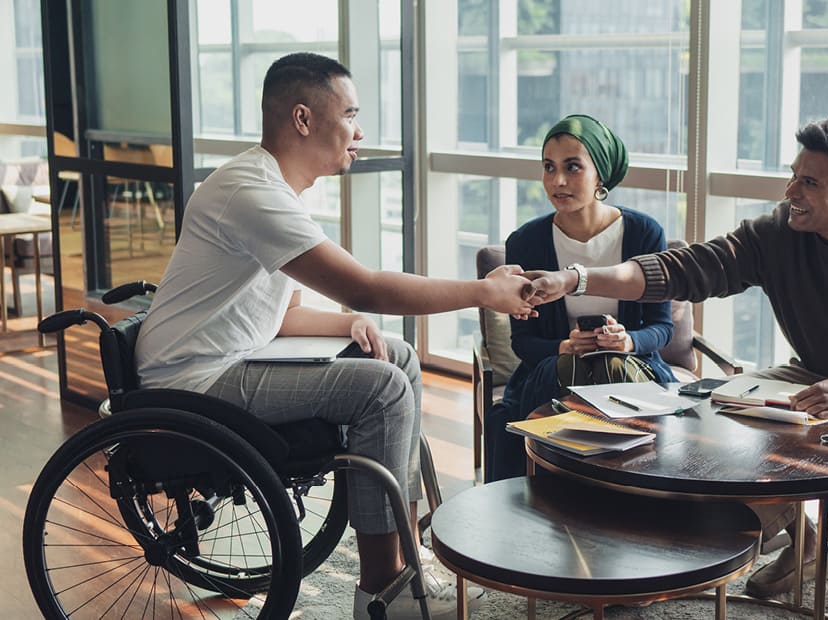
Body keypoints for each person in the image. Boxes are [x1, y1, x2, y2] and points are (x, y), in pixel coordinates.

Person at [135, 52, 534, 620]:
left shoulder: (274, 187)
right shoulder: (252, 193)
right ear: (303, 119)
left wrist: (347, 324)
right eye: (350, 113)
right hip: (192, 381)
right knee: (383, 391)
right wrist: (483, 293)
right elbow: (367, 287)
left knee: (395, 355)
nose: (360, 131)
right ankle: (382, 589)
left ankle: (405, 550)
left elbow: (280, 314)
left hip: (225, 358)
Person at [525, 110, 828, 598]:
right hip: (811, 373)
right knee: (716, 407)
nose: (790, 192)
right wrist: (577, 278)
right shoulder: (780, 232)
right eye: (792, 176)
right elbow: (687, 269)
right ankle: (801, 542)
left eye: (809, 182)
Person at [484, 114, 676, 482]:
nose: (557, 181)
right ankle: (602, 494)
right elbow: (523, 343)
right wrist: (564, 347)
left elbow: (662, 328)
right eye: (549, 167)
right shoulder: (525, 242)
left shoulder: (644, 233)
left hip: (634, 367)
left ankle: (598, 496)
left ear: (600, 174)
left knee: (610, 369)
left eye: (573, 167)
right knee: (576, 372)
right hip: (552, 373)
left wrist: (629, 341)